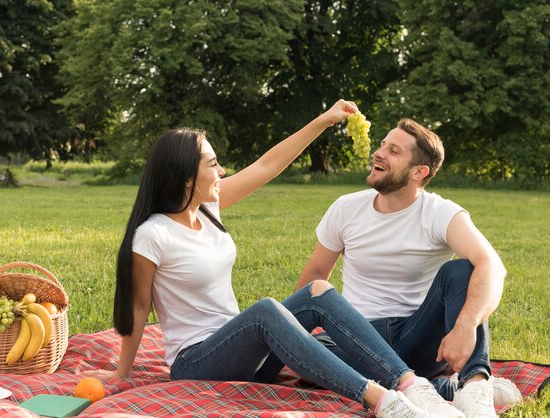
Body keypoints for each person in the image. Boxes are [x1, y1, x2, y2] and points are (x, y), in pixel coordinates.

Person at [87, 101, 465, 418]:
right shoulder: (153, 234)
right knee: (268, 310)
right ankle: (381, 401)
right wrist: (123, 373)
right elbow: (137, 307)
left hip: (243, 355)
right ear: (187, 177)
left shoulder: (208, 208)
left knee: (318, 291)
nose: (221, 171)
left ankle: (410, 384)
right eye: (213, 164)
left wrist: (323, 120)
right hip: (196, 363)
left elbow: (267, 166)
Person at [284, 118, 515, 417]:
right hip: (356, 335)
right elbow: (313, 277)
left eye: (393, 151)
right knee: (307, 355)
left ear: (419, 172)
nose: (379, 153)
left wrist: (465, 326)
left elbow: (492, 266)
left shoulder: (439, 212)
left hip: (417, 336)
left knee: (462, 271)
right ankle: (443, 390)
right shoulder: (346, 208)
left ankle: (475, 386)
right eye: (382, 145)